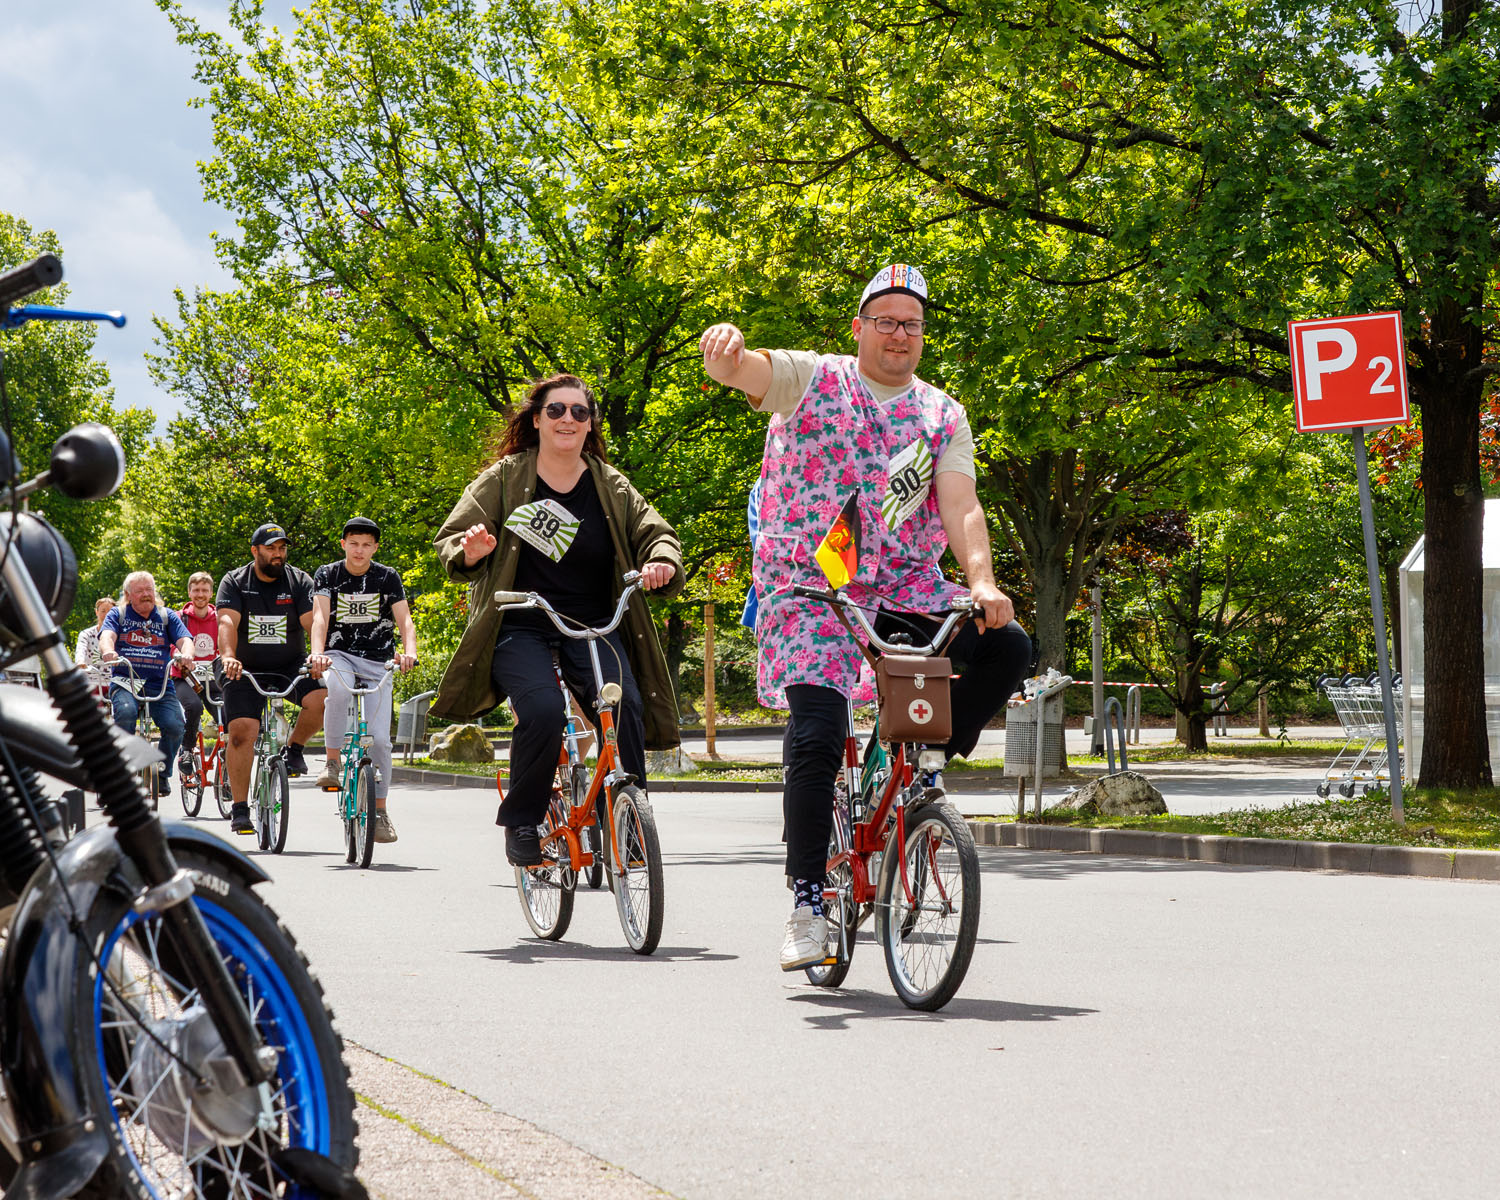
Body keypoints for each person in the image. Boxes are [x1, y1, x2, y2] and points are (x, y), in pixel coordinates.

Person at [700, 262, 1033, 971]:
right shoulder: (816, 378)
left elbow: (960, 504)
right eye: (885, 321)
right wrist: (729, 358)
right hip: (813, 587)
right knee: (818, 735)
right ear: (859, 329)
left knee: (1007, 646)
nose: (898, 335)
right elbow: (753, 373)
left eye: (911, 324)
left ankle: (925, 767)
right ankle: (808, 904)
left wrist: (982, 581)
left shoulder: (942, 414)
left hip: (907, 587)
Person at [432, 373, 683, 868]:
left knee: (626, 706)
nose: (568, 419)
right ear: (536, 419)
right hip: (521, 619)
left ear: (590, 426)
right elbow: (453, 538)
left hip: (593, 623)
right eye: (556, 410)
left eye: (579, 412)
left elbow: (655, 531)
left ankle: (626, 817)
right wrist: (472, 549)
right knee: (544, 712)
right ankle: (522, 819)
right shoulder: (506, 477)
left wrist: (662, 561)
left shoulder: (609, 483)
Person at [307, 516, 419, 844]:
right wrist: (317, 654)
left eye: (367, 545)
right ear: (343, 544)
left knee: (381, 741)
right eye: (353, 543)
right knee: (338, 691)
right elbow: (319, 617)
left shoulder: (387, 577)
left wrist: (409, 651)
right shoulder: (328, 575)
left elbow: (405, 620)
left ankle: (381, 811)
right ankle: (332, 761)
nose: (359, 550)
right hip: (337, 655)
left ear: (375, 547)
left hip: (378, 661)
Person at [216, 523, 329, 836]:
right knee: (242, 731)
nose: (278, 554)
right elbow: (226, 620)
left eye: (282, 548)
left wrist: (318, 653)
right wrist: (228, 655)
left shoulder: (299, 581)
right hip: (244, 667)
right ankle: (240, 808)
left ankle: (294, 750)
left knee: (320, 700)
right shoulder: (235, 581)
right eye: (271, 548)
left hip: (289, 665)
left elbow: (313, 620)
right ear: (255, 551)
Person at [98, 572, 195, 798]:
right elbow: (107, 636)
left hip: (159, 683)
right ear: (128, 595)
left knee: (175, 726)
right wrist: (108, 651)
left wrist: (187, 654)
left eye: (149, 590)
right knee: (125, 715)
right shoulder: (118, 614)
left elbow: (185, 640)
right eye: (139, 591)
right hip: (126, 681)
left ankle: (161, 773)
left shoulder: (166, 616)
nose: (145, 595)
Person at [173, 571, 218, 780]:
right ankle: (187, 750)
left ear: (211, 593)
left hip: (211, 677)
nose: (200, 594)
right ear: (190, 592)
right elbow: (172, 645)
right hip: (184, 677)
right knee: (193, 707)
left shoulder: (220, 618)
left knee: (229, 712)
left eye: (205, 590)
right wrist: (178, 655)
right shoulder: (179, 617)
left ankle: (227, 765)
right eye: (196, 590)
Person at [73, 596, 116, 669]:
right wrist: (80, 661)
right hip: (91, 677)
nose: (107, 615)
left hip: (114, 678)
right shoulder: (86, 634)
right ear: (96, 612)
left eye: (110, 612)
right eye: (103, 611)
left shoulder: (119, 634)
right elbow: (81, 648)